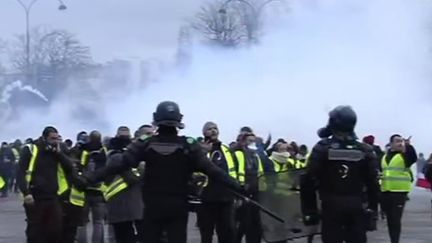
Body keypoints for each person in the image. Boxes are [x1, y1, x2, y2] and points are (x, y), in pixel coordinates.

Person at [85, 101, 243, 243]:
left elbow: (119, 165)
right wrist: (238, 186)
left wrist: (89, 178)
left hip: (152, 207)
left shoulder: (145, 143)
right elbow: (213, 171)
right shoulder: (189, 145)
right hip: (178, 207)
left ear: (156, 119)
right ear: (179, 120)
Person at [300, 106, 379, 243]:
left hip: (331, 206)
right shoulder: (365, 150)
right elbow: (373, 183)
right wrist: (372, 208)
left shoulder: (322, 147)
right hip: (356, 205)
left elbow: (308, 181)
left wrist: (310, 211)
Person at [16, 126, 84, 243]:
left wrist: (58, 153)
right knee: (36, 231)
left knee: (55, 230)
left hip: (53, 196)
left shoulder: (56, 152)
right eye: (52, 139)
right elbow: (20, 172)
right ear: (44, 138)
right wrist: (26, 193)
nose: (55, 141)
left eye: (57, 139)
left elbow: (69, 166)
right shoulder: (31, 149)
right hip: (34, 197)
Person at [196, 122, 238, 243]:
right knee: (206, 233)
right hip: (206, 198)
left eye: (215, 128)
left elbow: (232, 171)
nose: (213, 131)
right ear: (204, 133)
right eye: (209, 129)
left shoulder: (226, 149)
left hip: (225, 198)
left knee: (227, 232)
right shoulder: (199, 148)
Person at [105, 126, 145, 243]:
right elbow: (131, 178)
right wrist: (142, 168)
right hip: (122, 202)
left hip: (130, 202)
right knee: (125, 236)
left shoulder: (114, 155)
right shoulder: (115, 156)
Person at [380, 134, 417, 243]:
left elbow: (413, 157)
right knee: (390, 219)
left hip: (399, 192)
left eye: (401, 141)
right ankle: (393, 239)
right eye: (397, 141)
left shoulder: (404, 156)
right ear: (391, 144)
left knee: (395, 219)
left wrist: (408, 146)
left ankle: (395, 240)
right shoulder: (384, 157)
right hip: (386, 191)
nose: (400, 143)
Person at [234, 132, 266, 243]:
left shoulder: (256, 156)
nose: (252, 143)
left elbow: (260, 173)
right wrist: (241, 191)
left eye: (254, 140)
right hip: (244, 193)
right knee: (244, 222)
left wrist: (263, 189)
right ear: (243, 141)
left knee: (255, 223)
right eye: (249, 140)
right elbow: (239, 172)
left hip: (256, 192)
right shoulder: (239, 154)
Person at [77, 130, 107, 243]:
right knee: (98, 222)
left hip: (84, 190)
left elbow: (79, 167)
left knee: (82, 221)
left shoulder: (83, 151)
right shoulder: (104, 150)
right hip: (99, 190)